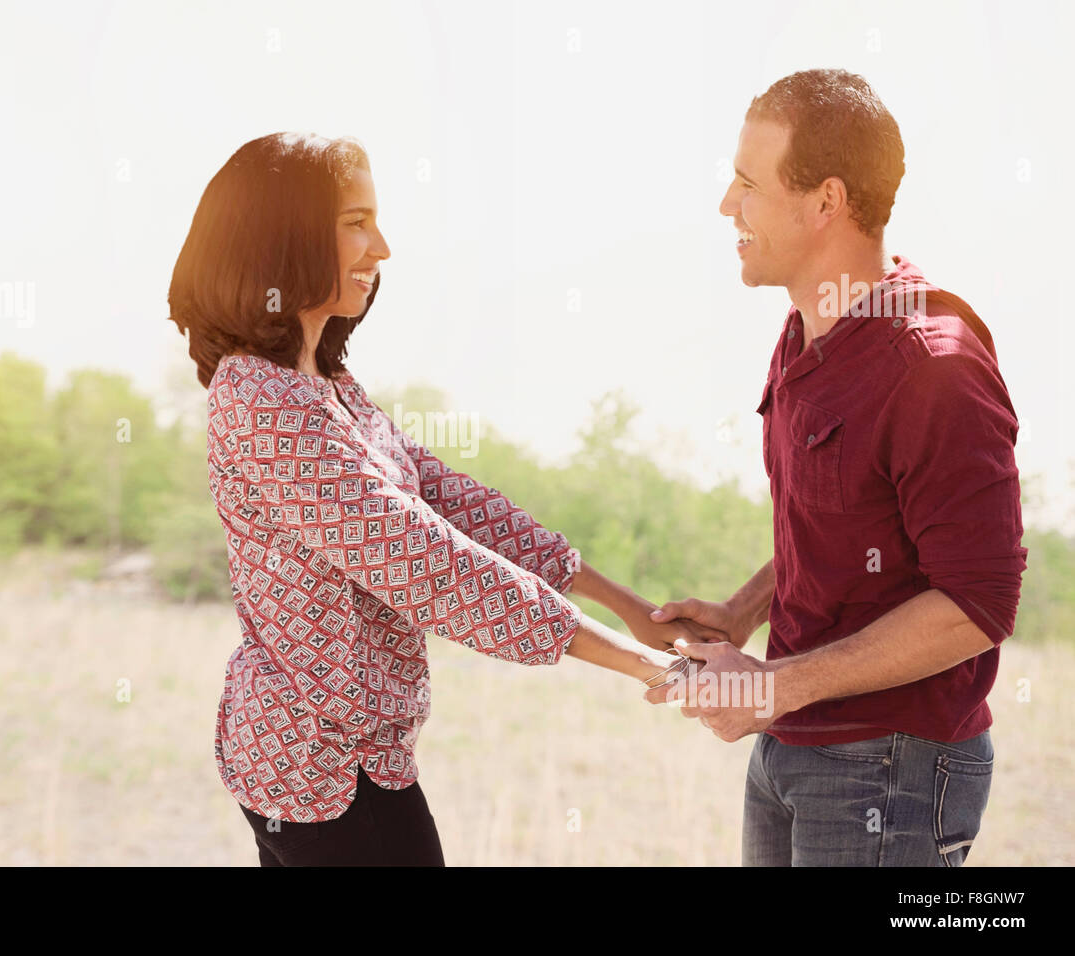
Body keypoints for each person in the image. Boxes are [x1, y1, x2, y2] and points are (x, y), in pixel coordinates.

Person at [168, 132, 710, 866]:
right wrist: (642, 666)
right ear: (284, 236)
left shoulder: (330, 392)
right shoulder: (261, 398)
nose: (381, 247)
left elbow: (455, 507)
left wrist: (630, 607)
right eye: (356, 221)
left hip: (365, 759)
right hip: (313, 769)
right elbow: (419, 560)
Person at [646, 69, 1027, 866]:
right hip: (795, 747)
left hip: (890, 771)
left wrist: (772, 687)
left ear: (825, 202)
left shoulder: (934, 365)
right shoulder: (803, 335)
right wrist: (745, 609)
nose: (727, 206)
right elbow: (843, 521)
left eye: (748, 184)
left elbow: (977, 602)